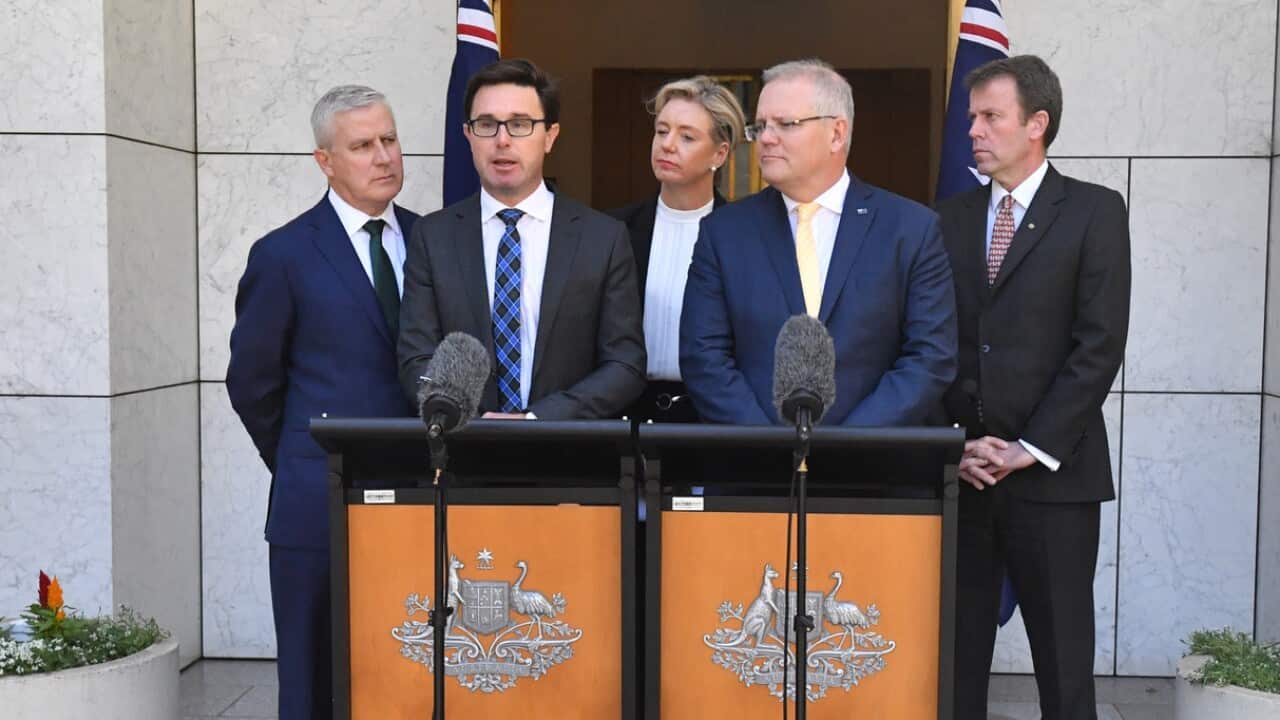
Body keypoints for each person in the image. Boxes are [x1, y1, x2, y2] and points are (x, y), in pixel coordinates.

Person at [935, 55, 1130, 720]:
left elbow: (1098, 345)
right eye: (972, 119)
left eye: (991, 117)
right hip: (962, 475)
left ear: (1036, 124)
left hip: (1055, 477)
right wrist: (953, 444)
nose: (975, 132)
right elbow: (931, 343)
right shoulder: (946, 219)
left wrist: (1030, 446)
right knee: (953, 665)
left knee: (1064, 665)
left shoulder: (1095, 212)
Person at [226, 85, 419, 719]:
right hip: (316, 503)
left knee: (407, 673)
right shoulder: (283, 254)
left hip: (419, 500)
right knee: (313, 681)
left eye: (388, 139)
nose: (383, 156)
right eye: (362, 145)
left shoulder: (433, 242)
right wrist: (303, 454)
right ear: (325, 161)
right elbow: (253, 384)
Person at [680, 58, 957, 426]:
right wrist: (767, 444)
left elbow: (930, 357)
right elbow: (704, 356)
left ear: (837, 133)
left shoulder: (910, 229)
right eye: (760, 125)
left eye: (785, 124)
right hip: (753, 469)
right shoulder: (724, 231)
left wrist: (847, 444)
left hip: (874, 468)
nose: (765, 138)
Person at [398, 58, 645, 419]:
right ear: (467, 135)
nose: (502, 140)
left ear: (550, 136)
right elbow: (415, 358)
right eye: (486, 125)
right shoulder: (433, 238)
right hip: (463, 456)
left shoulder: (602, 239)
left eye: (519, 125)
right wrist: (469, 416)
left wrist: (537, 420)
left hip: (570, 461)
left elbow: (625, 365)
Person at [610, 76, 746, 422]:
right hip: (627, 414)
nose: (667, 145)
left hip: (714, 417)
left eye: (686, 136)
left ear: (720, 153)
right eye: (661, 131)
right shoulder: (614, 231)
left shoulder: (744, 237)